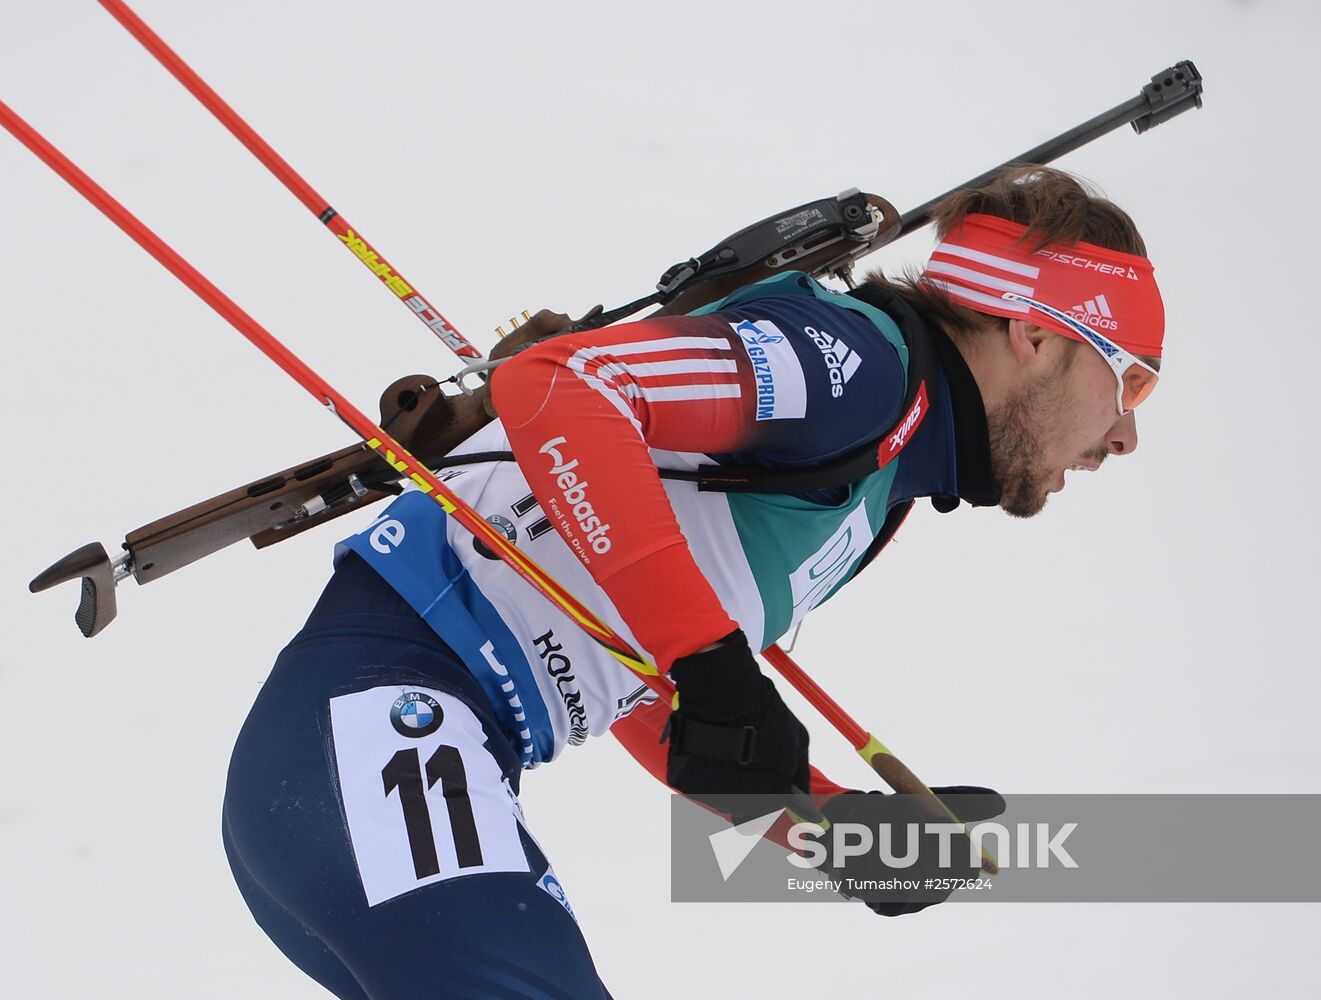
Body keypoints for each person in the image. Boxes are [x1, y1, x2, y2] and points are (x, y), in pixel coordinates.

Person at [221, 165, 1165, 998]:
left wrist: (833, 832)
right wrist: (710, 658)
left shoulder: (881, 485)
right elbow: (563, 387)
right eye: (1131, 381)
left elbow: (656, 694)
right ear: (1034, 334)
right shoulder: (856, 371)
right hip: (380, 722)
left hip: (391, 761)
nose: (1125, 435)